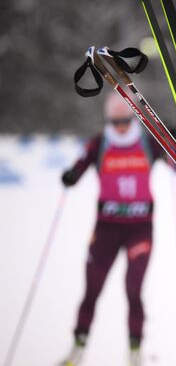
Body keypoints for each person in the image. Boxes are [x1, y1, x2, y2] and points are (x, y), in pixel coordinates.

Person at [59, 92, 169, 366]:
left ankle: (135, 351)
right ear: (109, 119)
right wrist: (70, 176)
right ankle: (78, 345)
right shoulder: (100, 143)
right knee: (92, 289)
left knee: (133, 290)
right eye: (115, 121)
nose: (120, 126)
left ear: (132, 118)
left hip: (139, 229)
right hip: (106, 228)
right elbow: (78, 168)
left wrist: (173, 139)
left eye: (125, 120)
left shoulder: (146, 141)